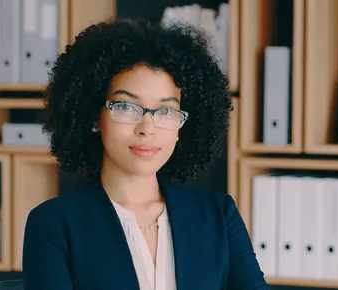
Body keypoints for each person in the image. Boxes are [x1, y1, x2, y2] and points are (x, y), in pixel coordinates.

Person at [22, 17, 270, 290]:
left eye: (166, 111)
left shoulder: (219, 216)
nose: (147, 128)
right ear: (95, 116)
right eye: (127, 107)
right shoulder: (53, 224)